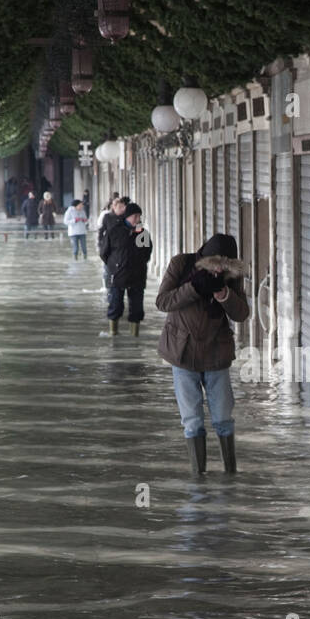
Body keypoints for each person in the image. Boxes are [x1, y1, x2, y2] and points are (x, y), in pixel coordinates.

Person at [156, 233, 250, 475]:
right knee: (192, 420)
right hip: (182, 352)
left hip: (216, 353)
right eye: (215, 262)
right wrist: (194, 287)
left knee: (223, 418)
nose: (219, 268)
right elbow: (163, 302)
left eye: (225, 264)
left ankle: (230, 475)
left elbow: (242, 314)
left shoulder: (231, 276)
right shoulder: (181, 264)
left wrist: (225, 296)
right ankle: (199, 479)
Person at [102, 201, 151, 337]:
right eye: (134, 216)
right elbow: (104, 252)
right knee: (115, 304)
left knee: (136, 307)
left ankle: (134, 335)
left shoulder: (142, 233)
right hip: (118, 274)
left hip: (137, 275)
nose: (137, 219)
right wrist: (114, 265)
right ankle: (113, 332)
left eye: (139, 216)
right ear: (127, 216)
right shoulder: (115, 231)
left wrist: (138, 264)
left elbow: (147, 252)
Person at [97, 195, 127, 288]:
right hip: (109, 248)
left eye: (123, 207)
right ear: (114, 207)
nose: (122, 209)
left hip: (123, 249)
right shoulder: (107, 217)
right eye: (120, 207)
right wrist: (101, 245)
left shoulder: (126, 218)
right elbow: (101, 231)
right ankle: (108, 289)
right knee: (107, 270)